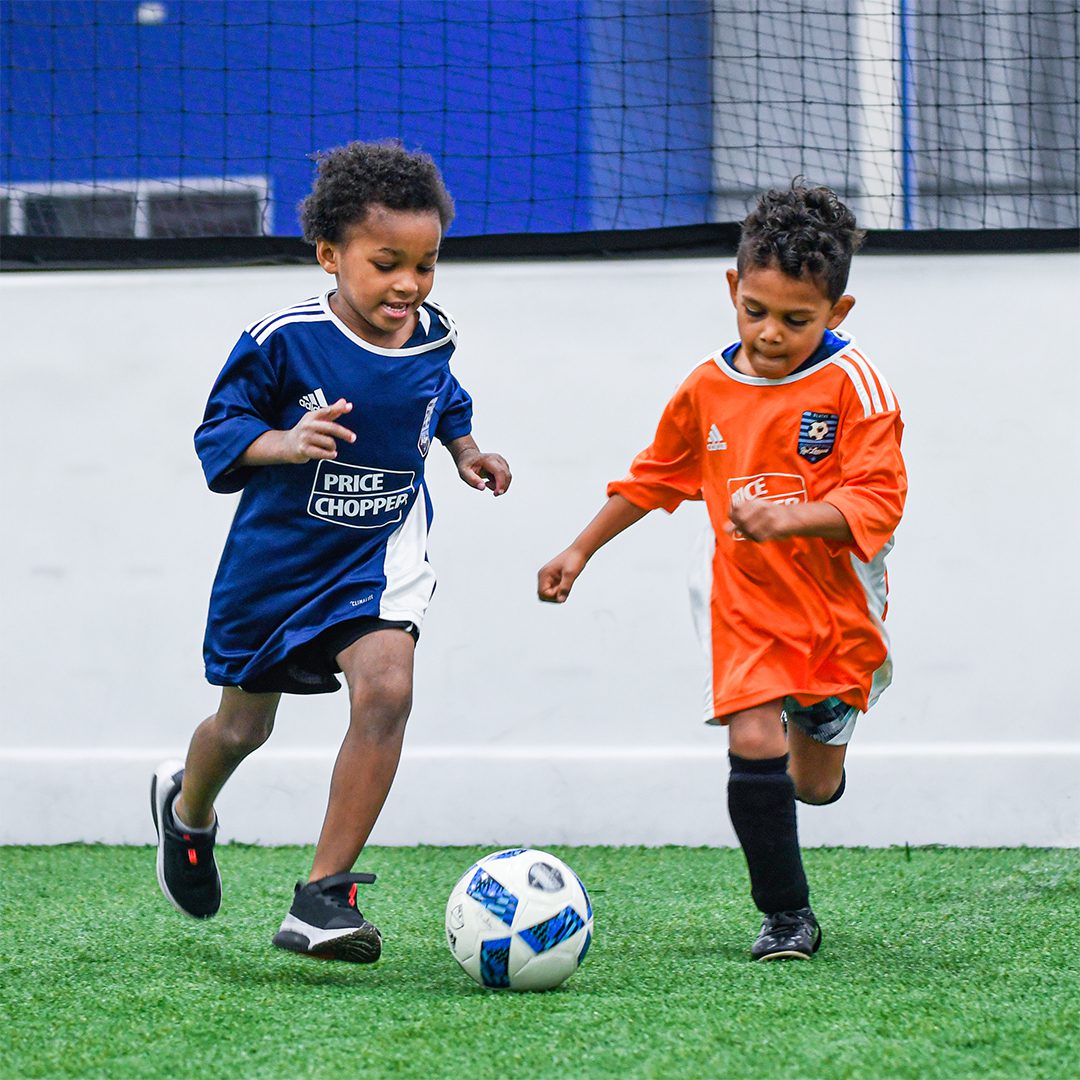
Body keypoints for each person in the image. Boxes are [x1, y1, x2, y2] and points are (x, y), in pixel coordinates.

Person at [151, 140, 511, 962]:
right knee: (241, 729)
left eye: (426, 265)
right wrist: (283, 442)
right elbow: (218, 431)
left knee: (387, 689)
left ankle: (322, 896)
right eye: (387, 264)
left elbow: (441, 394)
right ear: (329, 255)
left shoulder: (432, 334)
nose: (409, 284)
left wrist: (466, 451)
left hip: (378, 554)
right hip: (278, 566)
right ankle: (187, 811)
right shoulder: (282, 339)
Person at [537, 183, 906, 961]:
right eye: (755, 311)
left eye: (797, 320)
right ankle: (786, 916)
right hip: (745, 604)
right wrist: (579, 549)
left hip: (836, 608)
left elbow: (878, 499)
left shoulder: (857, 386)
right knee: (752, 735)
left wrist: (790, 518)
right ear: (734, 289)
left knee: (811, 785)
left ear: (837, 312)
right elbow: (654, 477)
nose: (770, 333)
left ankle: (821, 734)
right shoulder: (707, 386)